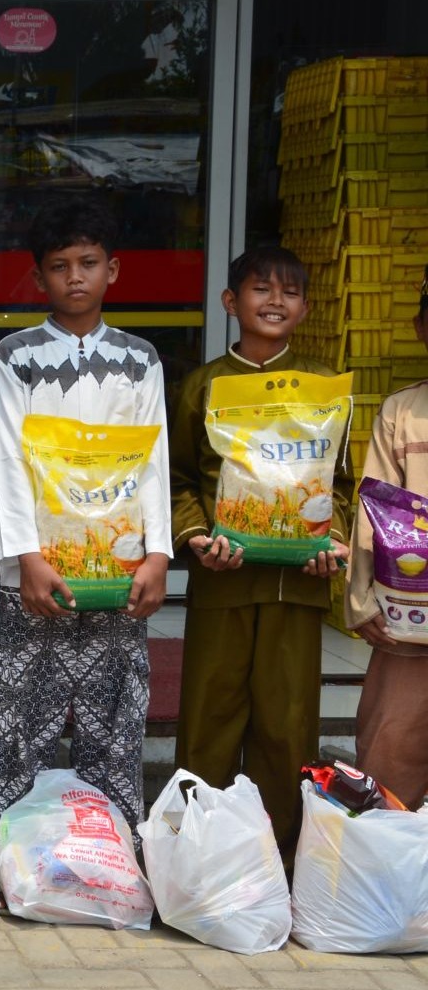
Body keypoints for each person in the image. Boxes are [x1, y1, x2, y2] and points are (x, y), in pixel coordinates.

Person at [0, 199, 171, 837]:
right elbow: (5, 461)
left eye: (89, 263)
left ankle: (113, 852)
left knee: (114, 721)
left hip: (118, 571)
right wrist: (25, 558)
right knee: (18, 715)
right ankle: (6, 851)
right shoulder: (15, 356)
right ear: (39, 279)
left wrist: (158, 555)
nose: (76, 277)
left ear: (113, 270)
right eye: (59, 267)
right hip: (37, 573)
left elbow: (154, 463)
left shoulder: (140, 360)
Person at [171, 246, 350, 853]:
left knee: (287, 726)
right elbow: (176, 482)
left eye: (290, 293)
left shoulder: (326, 387)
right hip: (222, 580)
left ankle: (280, 861)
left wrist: (335, 539)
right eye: (260, 289)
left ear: (305, 309)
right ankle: (197, 857)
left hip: (297, 585)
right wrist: (196, 537)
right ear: (231, 301)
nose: (275, 301)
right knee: (208, 721)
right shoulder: (202, 386)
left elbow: (341, 486)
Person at [345, 289, 428, 811]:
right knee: (388, 760)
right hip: (409, 627)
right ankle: (383, 887)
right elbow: (370, 511)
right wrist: (361, 599)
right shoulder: (403, 411)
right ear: (422, 329)